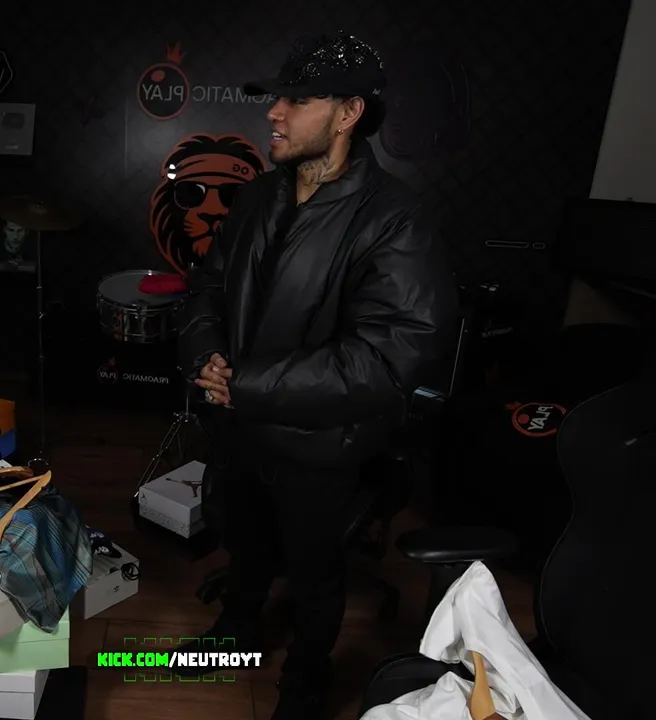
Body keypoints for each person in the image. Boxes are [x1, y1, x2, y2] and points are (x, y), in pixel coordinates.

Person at [174, 31, 459, 719]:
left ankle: (305, 678)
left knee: (314, 575)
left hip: (320, 447)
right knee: (244, 547)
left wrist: (248, 385)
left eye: (297, 101)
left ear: (348, 113)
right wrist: (205, 355)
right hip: (239, 430)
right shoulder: (257, 197)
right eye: (278, 98)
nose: (275, 112)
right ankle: (235, 636)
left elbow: (389, 355)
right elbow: (207, 290)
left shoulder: (395, 219)